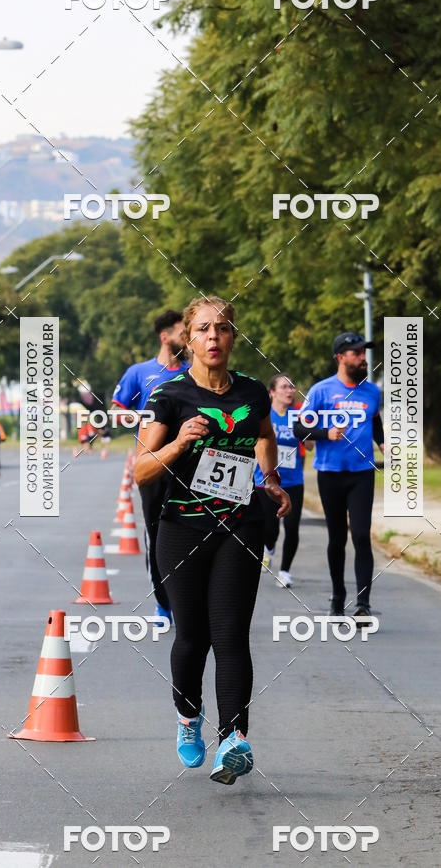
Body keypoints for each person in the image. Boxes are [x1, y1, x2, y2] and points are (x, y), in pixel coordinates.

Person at [135, 296, 290, 785]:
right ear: (188, 338)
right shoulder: (169, 395)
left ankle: (233, 739)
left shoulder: (252, 391)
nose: (213, 337)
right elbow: (140, 470)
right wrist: (180, 442)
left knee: (231, 634)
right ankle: (188, 718)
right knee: (192, 637)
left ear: (233, 337)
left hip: (239, 524)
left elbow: (265, 435)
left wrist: (270, 478)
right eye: (203, 329)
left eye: (222, 328)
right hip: (182, 528)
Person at [293, 332, 384, 623]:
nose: (363, 358)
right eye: (357, 353)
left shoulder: (372, 392)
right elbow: (299, 428)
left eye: (364, 353)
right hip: (330, 473)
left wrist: (383, 443)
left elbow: (375, 420)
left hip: (362, 473)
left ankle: (363, 603)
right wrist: (325, 433)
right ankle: (337, 595)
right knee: (337, 537)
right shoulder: (321, 391)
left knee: (361, 536)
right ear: (341, 358)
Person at [111, 310, 190, 624]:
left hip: (188, 465)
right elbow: (116, 412)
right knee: (156, 536)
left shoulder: (193, 373)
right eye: (183, 333)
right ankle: (163, 605)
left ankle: (188, 602)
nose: (188, 339)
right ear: (165, 336)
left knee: (190, 533)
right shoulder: (139, 372)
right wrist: (148, 418)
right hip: (152, 465)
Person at [254, 375, 313, 588]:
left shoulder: (298, 415)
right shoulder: (264, 415)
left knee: (292, 526)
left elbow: (311, 446)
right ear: (272, 392)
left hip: (293, 480)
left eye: (292, 387)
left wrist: (306, 430)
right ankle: (268, 548)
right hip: (265, 479)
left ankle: (285, 572)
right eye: (284, 387)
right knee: (270, 528)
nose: (290, 391)